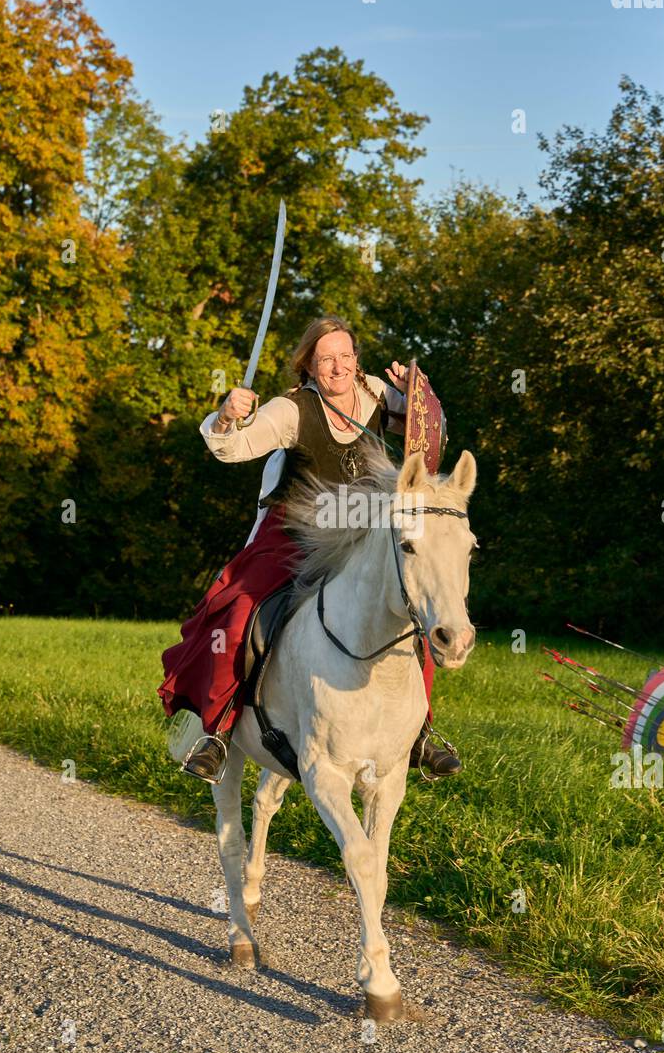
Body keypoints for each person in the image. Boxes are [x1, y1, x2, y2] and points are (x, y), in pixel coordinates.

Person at [157, 314, 463, 782]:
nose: (337, 367)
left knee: (410, 603)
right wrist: (226, 416)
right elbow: (231, 449)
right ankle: (218, 731)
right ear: (309, 366)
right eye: (326, 360)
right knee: (238, 610)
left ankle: (419, 732)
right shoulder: (291, 409)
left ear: (357, 361)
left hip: (361, 528)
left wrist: (421, 397)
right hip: (296, 531)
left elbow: (432, 440)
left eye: (345, 356)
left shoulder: (381, 395)